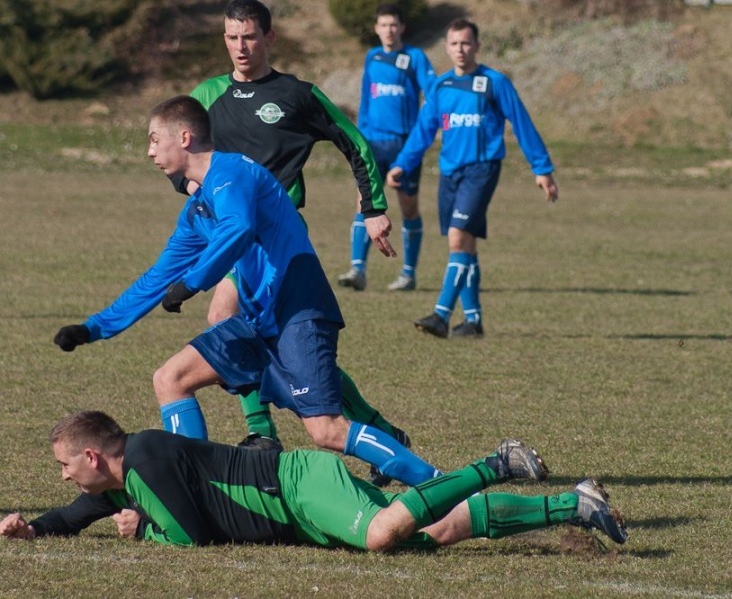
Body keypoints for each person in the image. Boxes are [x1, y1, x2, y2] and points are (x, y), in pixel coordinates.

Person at [52, 95, 441, 488]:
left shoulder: (232, 172)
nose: (150, 151)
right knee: (170, 378)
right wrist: (94, 328)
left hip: (297, 309)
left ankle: (436, 483)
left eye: (154, 140)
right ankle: (197, 491)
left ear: (184, 138)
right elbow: (157, 277)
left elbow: (238, 228)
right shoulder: (198, 209)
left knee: (326, 431)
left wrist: (192, 283)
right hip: (257, 323)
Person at [170, 0, 408, 463]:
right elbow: (177, 150)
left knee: (224, 318)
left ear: (269, 38)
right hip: (231, 235)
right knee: (285, 350)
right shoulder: (207, 95)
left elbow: (354, 143)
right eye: (232, 37)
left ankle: (262, 432)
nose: (241, 47)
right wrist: (187, 183)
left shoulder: (296, 95)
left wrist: (373, 207)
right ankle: (379, 428)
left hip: (279, 234)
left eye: (249, 37)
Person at [0, 411, 626, 551]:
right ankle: (574, 505)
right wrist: (33, 528)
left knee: (381, 534)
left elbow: (193, 536)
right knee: (428, 534)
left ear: (93, 457)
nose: (63, 475)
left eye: (64, 464)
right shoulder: (117, 482)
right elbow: (74, 515)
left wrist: (145, 534)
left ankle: (497, 462)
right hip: (297, 514)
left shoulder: (147, 457)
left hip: (297, 487)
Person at [387, 19, 559, 339]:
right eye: (454, 44)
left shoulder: (494, 82)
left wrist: (542, 168)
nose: (460, 50)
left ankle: (441, 315)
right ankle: (473, 321)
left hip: (481, 170)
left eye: (466, 43)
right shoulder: (441, 86)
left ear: (477, 46)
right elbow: (423, 131)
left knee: (458, 238)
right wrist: (402, 164)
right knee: (465, 245)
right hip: (449, 173)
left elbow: (521, 122)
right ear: (447, 47)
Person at [336, 2, 435, 292]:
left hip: (404, 147)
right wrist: (360, 138)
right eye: (384, 25)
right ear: (376, 28)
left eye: (393, 25)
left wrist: (421, 134)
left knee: (408, 208)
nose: (389, 30)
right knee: (364, 202)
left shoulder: (415, 57)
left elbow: (433, 96)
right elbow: (366, 100)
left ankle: (408, 274)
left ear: (402, 27)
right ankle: (357, 270)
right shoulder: (373, 57)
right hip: (373, 144)